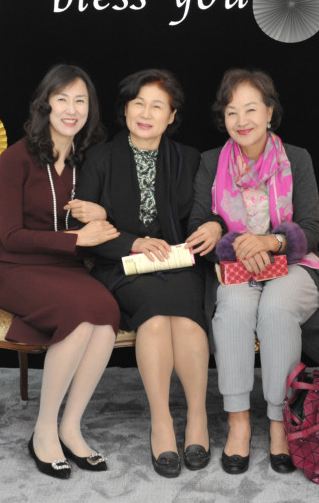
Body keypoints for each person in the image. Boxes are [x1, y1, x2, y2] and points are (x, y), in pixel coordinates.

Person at [186, 68, 319, 476]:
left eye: (251, 109)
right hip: (236, 265)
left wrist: (270, 242)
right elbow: (198, 222)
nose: (242, 120)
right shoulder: (211, 162)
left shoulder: (297, 159)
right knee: (234, 308)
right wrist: (229, 239)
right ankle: (238, 421)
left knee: (275, 309)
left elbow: (311, 228)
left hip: (294, 264)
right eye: (232, 112)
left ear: (269, 112)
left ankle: (277, 421)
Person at [74, 69, 210, 478]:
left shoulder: (188, 158)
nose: (146, 114)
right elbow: (87, 231)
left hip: (177, 261)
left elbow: (202, 214)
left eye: (157, 106)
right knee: (154, 319)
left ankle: (198, 417)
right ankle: (162, 421)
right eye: (139, 104)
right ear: (126, 109)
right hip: (122, 265)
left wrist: (214, 226)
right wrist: (133, 242)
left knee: (185, 320)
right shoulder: (99, 158)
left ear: (172, 115)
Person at [0, 64, 121, 479]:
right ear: (45, 104)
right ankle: (44, 431)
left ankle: (71, 426)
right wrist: (76, 238)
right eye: (62, 99)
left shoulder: (90, 158)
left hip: (66, 270)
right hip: (16, 268)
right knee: (78, 318)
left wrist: (101, 214)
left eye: (80, 101)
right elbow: (10, 236)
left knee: (107, 316)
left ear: (89, 109)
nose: (71, 109)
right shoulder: (16, 157)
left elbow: (110, 219)